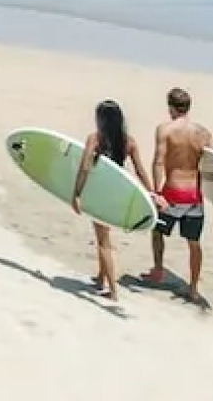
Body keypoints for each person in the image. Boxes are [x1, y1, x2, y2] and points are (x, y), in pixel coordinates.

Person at [72, 98, 159, 302]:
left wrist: (77, 193)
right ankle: (101, 278)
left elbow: (84, 167)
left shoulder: (95, 139)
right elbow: (140, 171)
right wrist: (152, 193)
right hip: (117, 195)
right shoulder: (129, 142)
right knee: (104, 235)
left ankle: (113, 290)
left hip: (99, 194)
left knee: (103, 242)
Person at [144, 86, 213, 305]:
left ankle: (158, 271)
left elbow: (159, 161)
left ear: (171, 108)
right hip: (195, 197)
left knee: (157, 231)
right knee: (194, 243)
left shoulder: (165, 130)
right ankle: (193, 289)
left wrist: (156, 192)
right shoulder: (202, 133)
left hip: (173, 193)